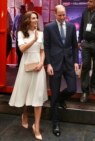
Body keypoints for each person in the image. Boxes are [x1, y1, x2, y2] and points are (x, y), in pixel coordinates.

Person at [9, 11, 47, 140]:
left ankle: (36, 126)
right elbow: (22, 49)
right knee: (25, 93)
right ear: (27, 20)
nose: (36, 20)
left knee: (37, 96)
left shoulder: (41, 33)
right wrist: (34, 39)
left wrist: (42, 63)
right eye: (33, 18)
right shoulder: (21, 33)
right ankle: (24, 114)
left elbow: (42, 51)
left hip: (38, 67)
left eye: (36, 18)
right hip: (25, 66)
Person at [44, 5, 79, 137]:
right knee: (54, 94)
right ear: (55, 14)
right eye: (60, 15)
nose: (62, 17)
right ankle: (55, 124)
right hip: (54, 64)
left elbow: (75, 46)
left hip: (69, 63)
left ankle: (60, 99)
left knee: (72, 88)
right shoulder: (49, 28)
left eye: (64, 15)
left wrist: (76, 61)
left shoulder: (70, 27)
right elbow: (46, 47)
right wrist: (48, 64)